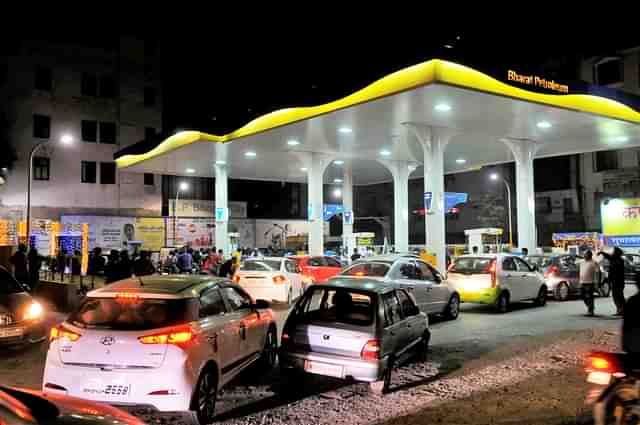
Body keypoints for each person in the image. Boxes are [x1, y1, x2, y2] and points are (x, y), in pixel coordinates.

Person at [599, 247, 626, 315]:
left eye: (613, 251)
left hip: (618, 281)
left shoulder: (619, 260)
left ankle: (622, 309)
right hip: (615, 281)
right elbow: (608, 256)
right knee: (615, 296)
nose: (612, 252)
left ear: (616, 253)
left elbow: (616, 272)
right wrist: (602, 252)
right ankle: (620, 310)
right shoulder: (614, 259)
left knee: (619, 296)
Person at [622, 271, 640, 354]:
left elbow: (627, 326)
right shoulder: (632, 301)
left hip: (634, 345)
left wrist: (626, 344)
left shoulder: (632, 301)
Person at [579, 250, 598, 316]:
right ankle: (590, 307)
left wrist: (597, 282)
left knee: (589, 296)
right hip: (582, 281)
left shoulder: (594, 262)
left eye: (586, 254)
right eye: (584, 254)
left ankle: (590, 310)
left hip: (590, 282)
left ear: (590, 255)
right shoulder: (581, 262)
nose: (584, 255)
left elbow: (597, 272)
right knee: (582, 296)